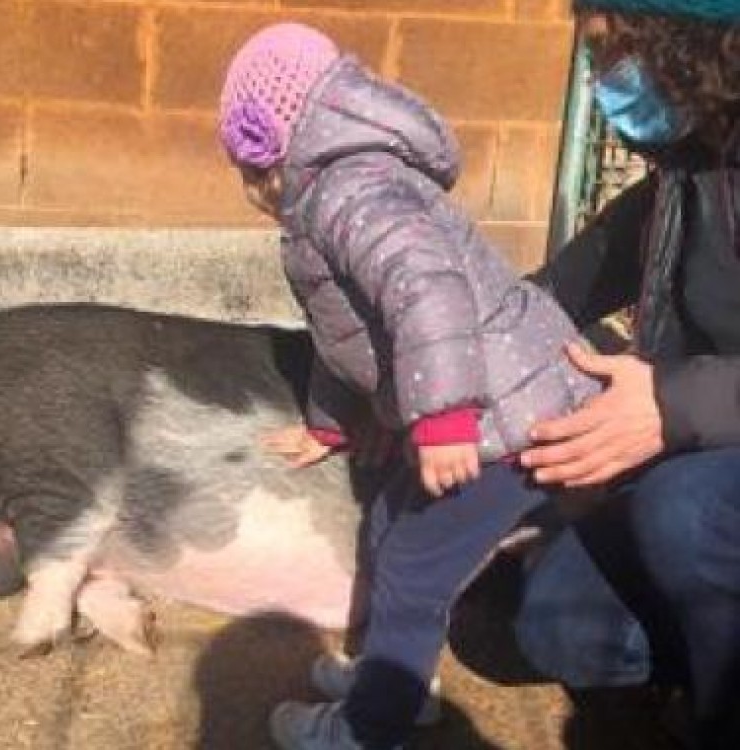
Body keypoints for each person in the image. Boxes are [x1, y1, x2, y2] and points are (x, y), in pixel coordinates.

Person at [218, 22, 601, 750]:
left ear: (278, 149)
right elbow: (346, 336)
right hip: (494, 407)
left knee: (414, 562)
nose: (250, 192)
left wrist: (444, 417)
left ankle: (371, 728)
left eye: (250, 170)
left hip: (506, 419)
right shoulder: (330, 197)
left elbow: (429, 290)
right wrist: (331, 425)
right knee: (391, 528)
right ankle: (391, 681)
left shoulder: (351, 192)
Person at [513, 2, 740, 748]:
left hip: (704, 469)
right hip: (710, 449)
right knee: (560, 624)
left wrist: (671, 404)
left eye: (609, 52)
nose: (600, 78)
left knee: (686, 512)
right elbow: (554, 292)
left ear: (680, 39)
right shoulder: (687, 168)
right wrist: (440, 355)